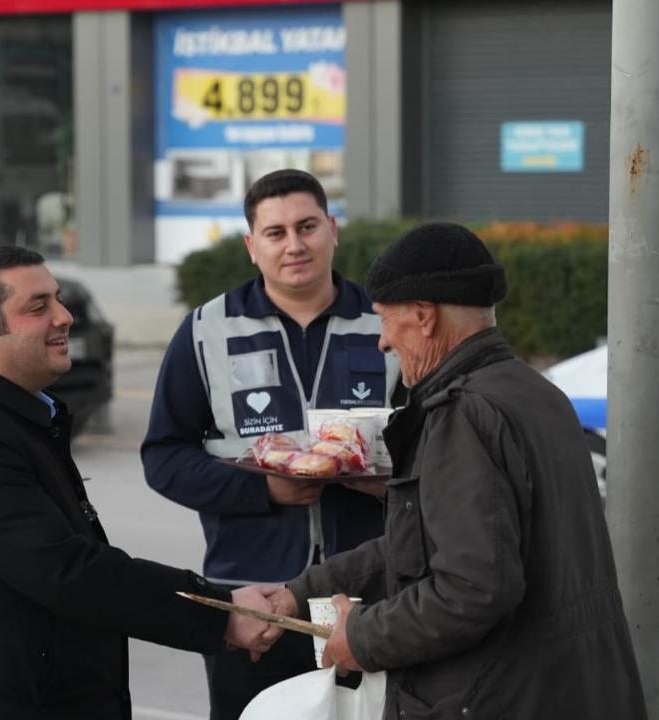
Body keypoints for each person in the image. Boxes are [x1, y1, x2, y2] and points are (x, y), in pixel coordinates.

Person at [257, 222, 646, 718]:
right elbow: (424, 545)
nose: (382, 343)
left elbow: (471, 589)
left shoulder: (463, 414)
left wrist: (362, 637)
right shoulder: (537, 393)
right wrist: (301, 593)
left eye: (385, 320)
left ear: (424, 316)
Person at [0, 245, 278, 719]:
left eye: (57, 299)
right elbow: (69, 572)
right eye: (38, 307)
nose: (64, 317)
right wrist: (219, 613)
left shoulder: (11, 416)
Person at [141, 168, 398, 719]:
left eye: (307, 227)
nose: (294, 245)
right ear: (251, 246)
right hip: (251, 597)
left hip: (365, 594)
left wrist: (385, 484)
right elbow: (163, 458)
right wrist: (264, 491)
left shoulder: (384, 324)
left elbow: (434, 451)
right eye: (276, 233)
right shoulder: (206, 330)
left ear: (333, 230)